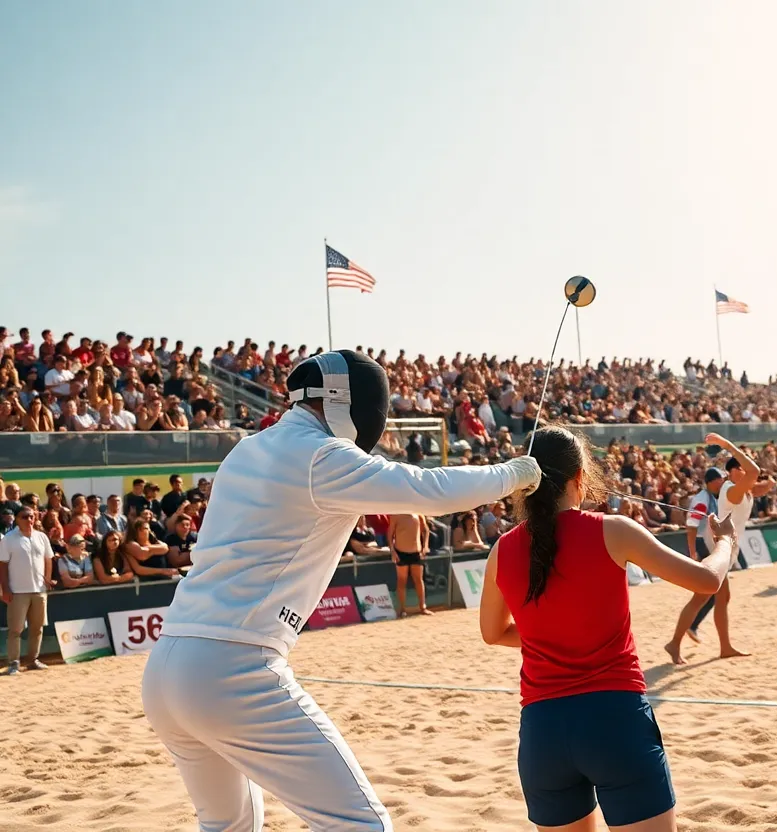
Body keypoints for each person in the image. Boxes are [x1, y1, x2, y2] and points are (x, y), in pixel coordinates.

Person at [142, 349, 540, 831]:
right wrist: (515, 474)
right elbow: (428, 489)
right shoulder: (321, 455)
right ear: (343, 401)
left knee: (227, 826)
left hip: (166, 667)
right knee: (360, 824)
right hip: (232, 665)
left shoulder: (247, 449)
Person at [478, 426, 736, 832]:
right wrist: (726, 543)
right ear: (579, 477)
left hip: (543, 731)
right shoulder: (612, 530)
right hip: (614, 719)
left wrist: (555, 632)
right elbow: (707, 580)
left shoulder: (503, 548)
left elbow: (493, 633)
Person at [666, 433, 756, 665]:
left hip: (724, 549)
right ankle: (675, 643)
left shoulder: (739, 491)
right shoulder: (727, 491)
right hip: (716, 549)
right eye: (741, 468)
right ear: (732, 472)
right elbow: (691, 525)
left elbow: (757, 478)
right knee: (702, 597)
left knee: (720, 597)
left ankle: (724, 646)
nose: (746, 472)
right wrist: (727, 445)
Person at [0, 507, 54, 674]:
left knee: (37, 628)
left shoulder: (41, 537)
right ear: (17, 519)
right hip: (17, 591)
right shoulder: (8, 539)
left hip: (39, 590)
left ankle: (33, 660)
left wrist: (47, 579)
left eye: (31, 516)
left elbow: (48, 559)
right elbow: (2, 565)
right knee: (15, 629)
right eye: (24, 517)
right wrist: (5, 589)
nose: (29, 519)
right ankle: (13, 663)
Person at [681, 467, 724, 644]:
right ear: (713, 481)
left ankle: (691, 626)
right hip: (701, 545)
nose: (723, 483)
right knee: (709, 592)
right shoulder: (701, 499)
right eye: (721, 479)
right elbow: (691, 526)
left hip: (706, 545)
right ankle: (689, 627)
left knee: (710, 592)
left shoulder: (711, 497)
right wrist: (693, 552)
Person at [388, 513, 431, 617]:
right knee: (402, 581)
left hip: (416, 552)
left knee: (418, 580)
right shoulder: (396, 516)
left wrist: (425, 546)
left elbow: (425, 530)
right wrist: (392, 551)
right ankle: (402, 609)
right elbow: (390, 534)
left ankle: (422, 607)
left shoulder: (418, 514)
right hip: (401, 552)